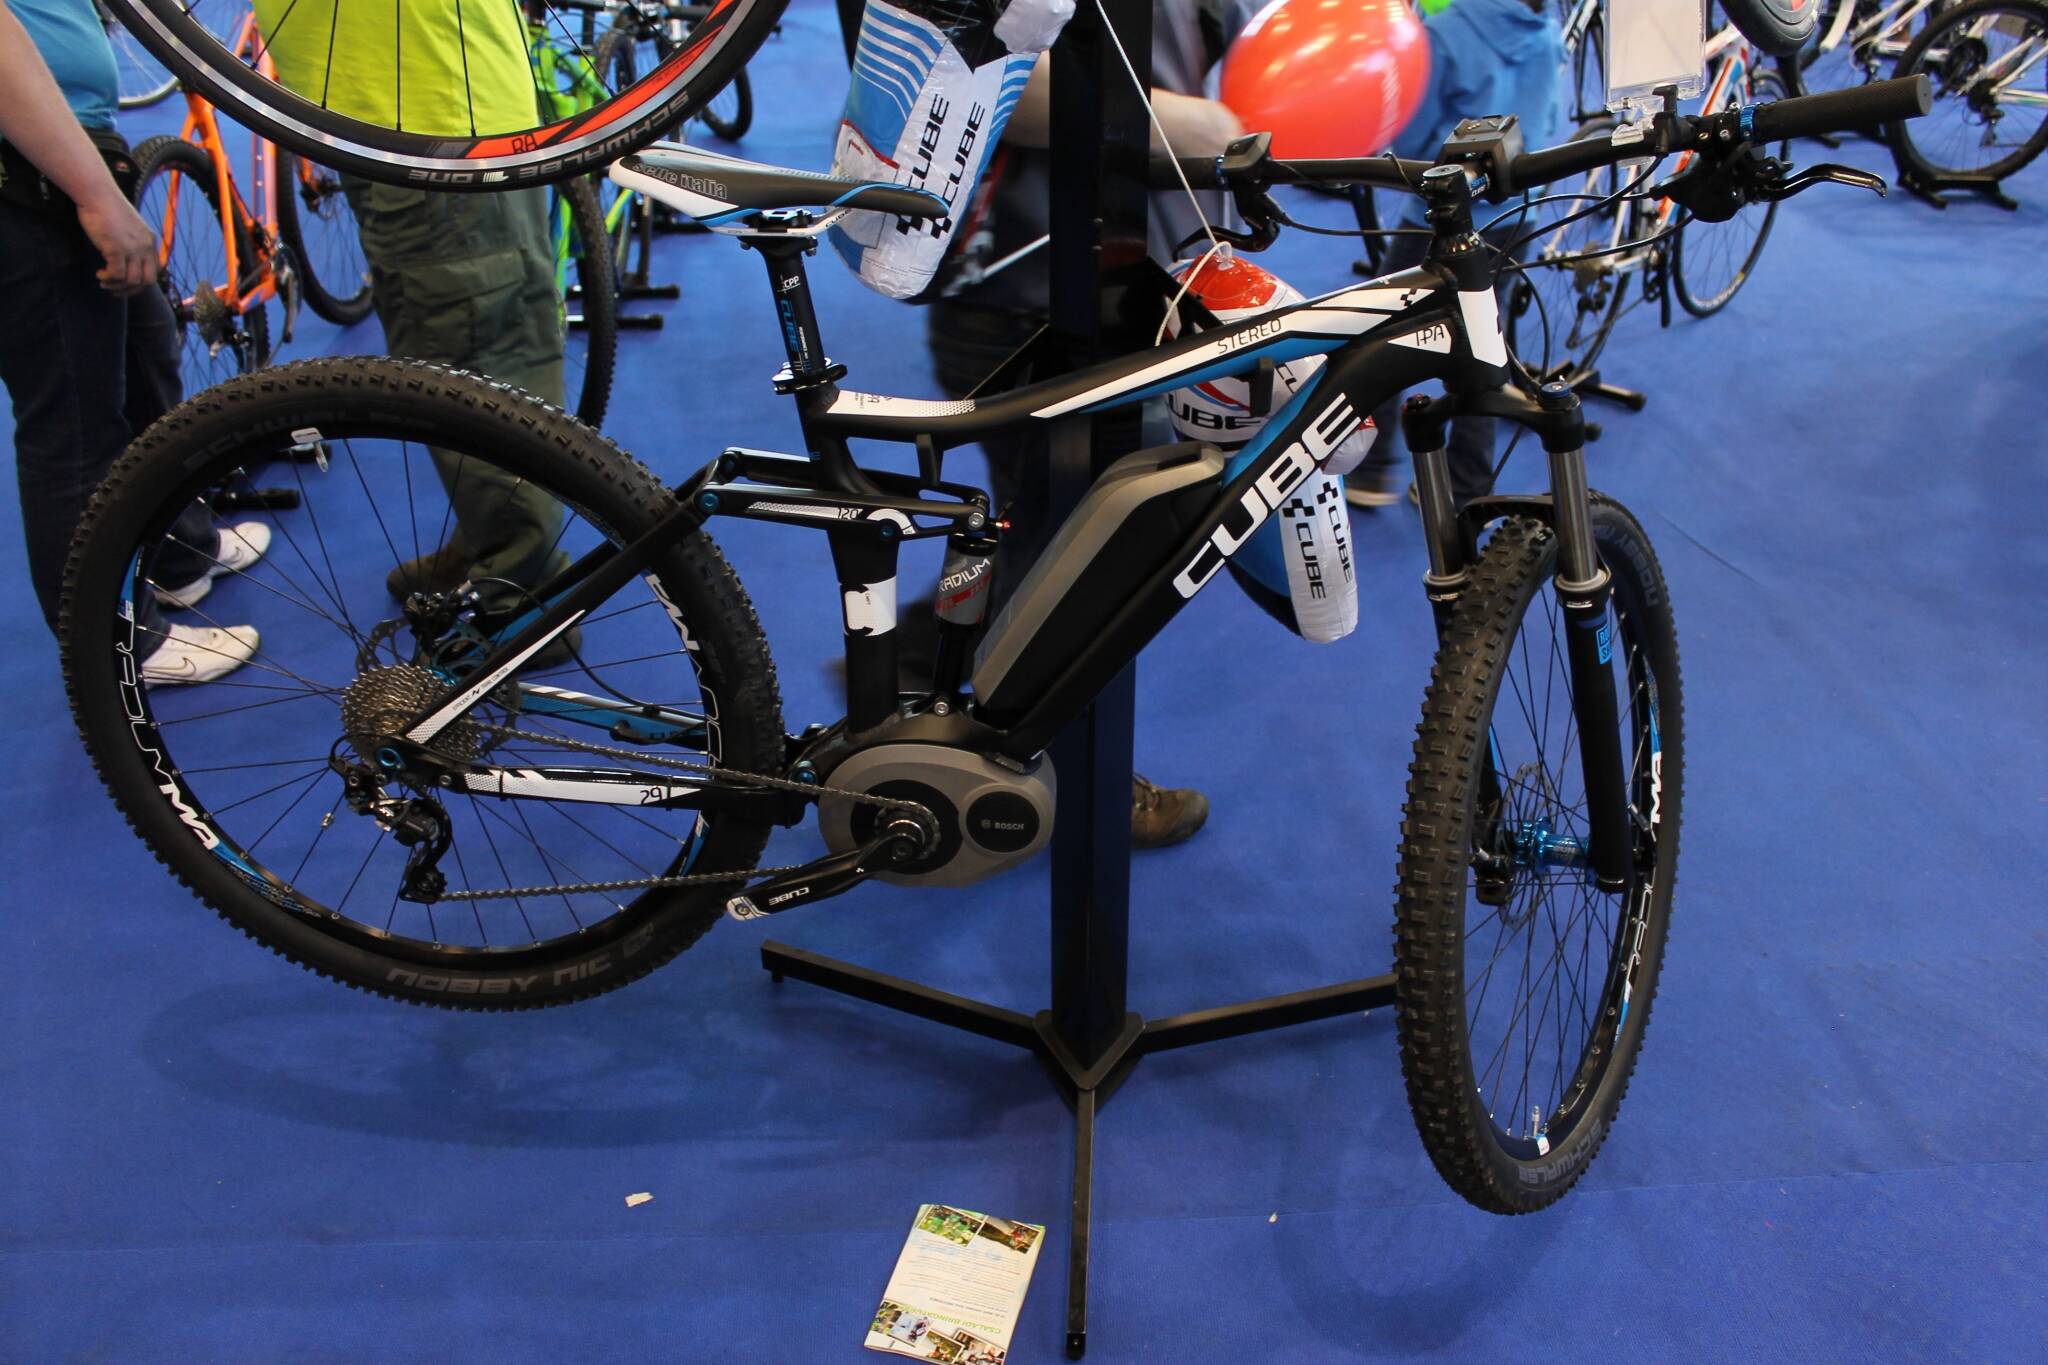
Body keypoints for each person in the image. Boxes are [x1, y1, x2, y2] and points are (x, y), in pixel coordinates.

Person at [913, 0, 1251, 849]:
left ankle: (920, 669)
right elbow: (962, 70)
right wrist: (1184, 125)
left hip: (1142, 280)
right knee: (1081, 562)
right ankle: (1066, 783)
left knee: (1049, 536)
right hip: (1031, 294)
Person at [254, 1, 570, 608]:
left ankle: (519, 603)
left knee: (478, 370)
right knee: (449, 360)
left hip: (435, 123)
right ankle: (492, 546)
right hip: (394, 116)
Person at [1, 0, 268, 685]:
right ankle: (119, 645)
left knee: (147, 356)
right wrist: (95, 194)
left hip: (68, 142)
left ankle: (178, 555)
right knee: (73, 423)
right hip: (27, 167)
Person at [1343, 0, 1565, 509]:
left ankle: (1371, 468)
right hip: (1515, 218)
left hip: (1437, 222)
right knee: (1485, 342)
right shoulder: (1546, 35)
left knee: (1382, 332)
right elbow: (1547, 121)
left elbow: (1413, 137)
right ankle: (1468, 484)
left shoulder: (1442, 35)